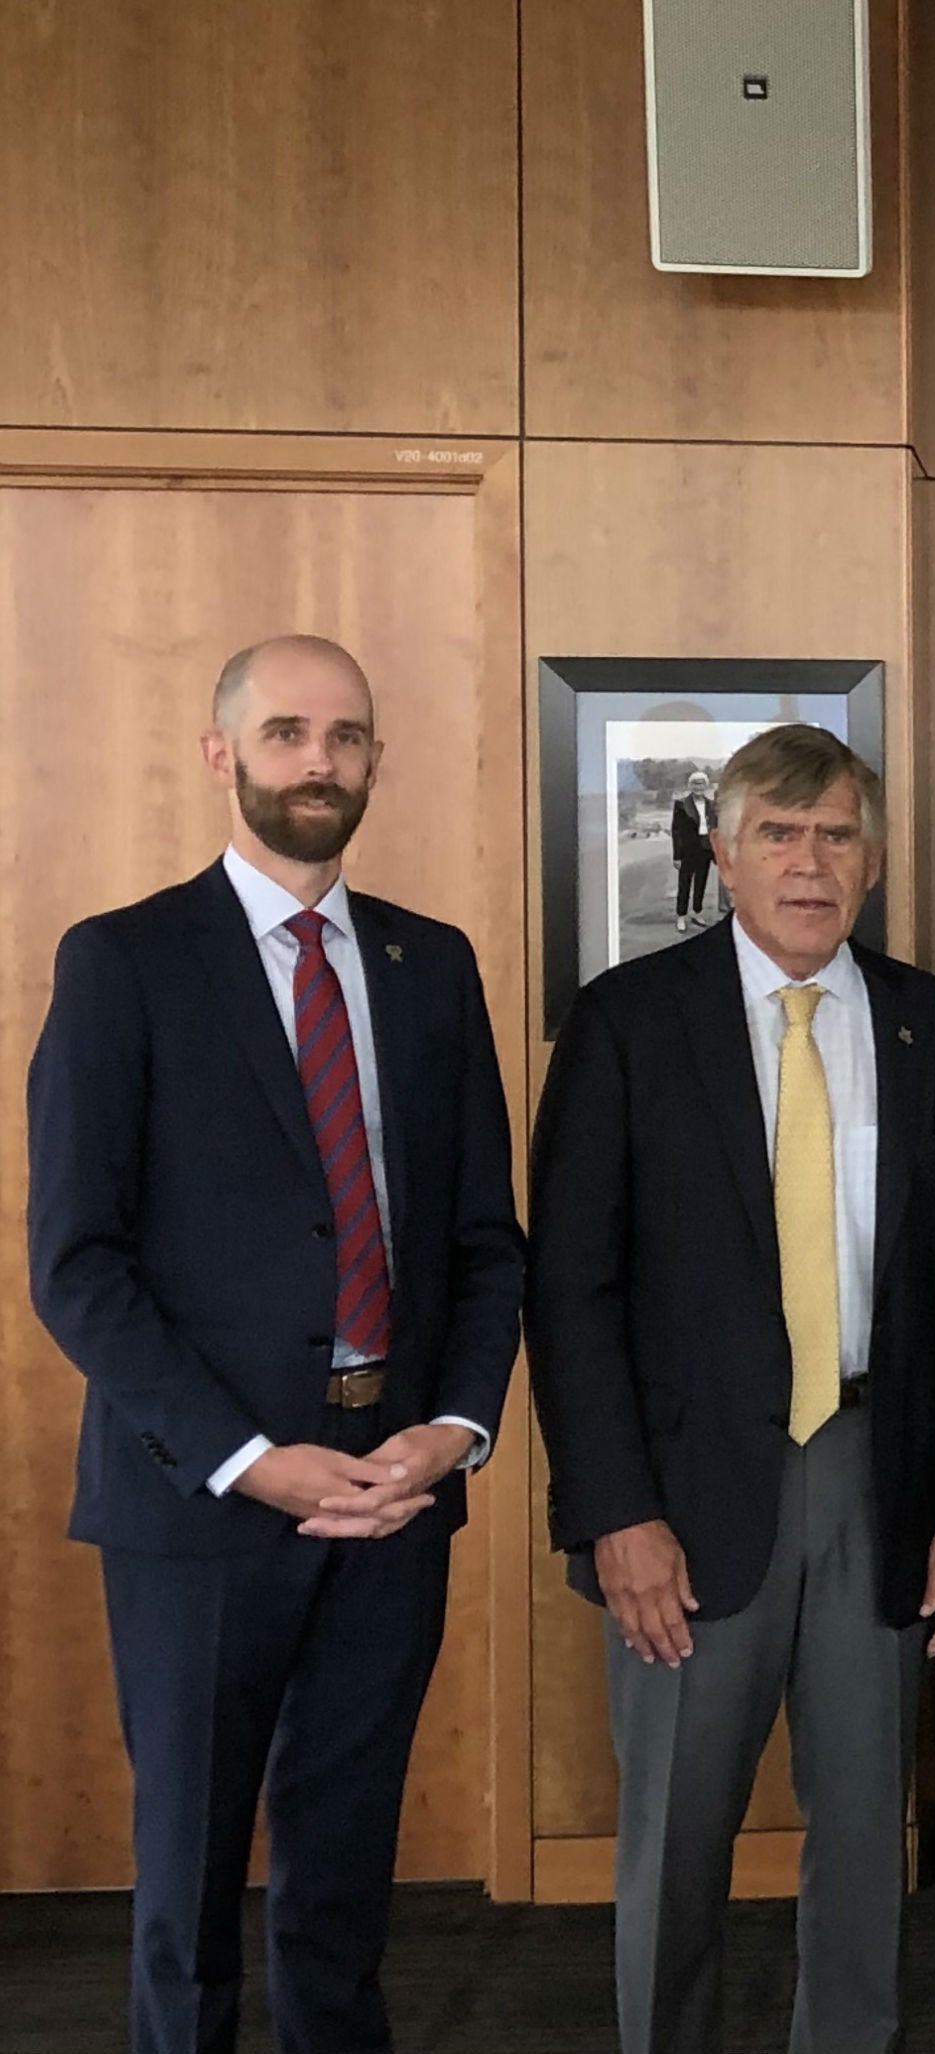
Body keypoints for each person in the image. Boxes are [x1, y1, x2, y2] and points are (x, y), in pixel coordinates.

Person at [27, 635, 526, 2054]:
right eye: (290, 731)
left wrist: (458, 1426)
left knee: (345, 1871)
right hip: (204, 1502)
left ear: (376, 761)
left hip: (395, 1490)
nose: (321, 759)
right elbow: (78, 1265)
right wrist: (249, 1457)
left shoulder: (431, 965)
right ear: (222, 753)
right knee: (186, 1883)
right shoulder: (123, 961)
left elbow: (485, 1241)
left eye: (349, 735)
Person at [525, 724, 935, 2054]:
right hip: (679, 1499)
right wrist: (612, 1510)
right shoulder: (630, 1021)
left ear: (870, 859)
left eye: (837, 834)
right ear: (724, 855)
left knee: (864, 1829)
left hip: (880, 1472)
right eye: (780, 835)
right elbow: (571, 1287)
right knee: (676, 1836)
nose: (810, 863)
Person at [670, 771, 720, 929]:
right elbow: (676, 831)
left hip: (705, 849)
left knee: (701, 882)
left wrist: (716, 851)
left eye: (701, 784)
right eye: (695, 784)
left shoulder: (711, 805)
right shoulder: (681, 805)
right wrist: (677, 856)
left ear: (706, 786)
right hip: (688, 850)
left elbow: (715, 829)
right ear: (690, 786)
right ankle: (681, 916)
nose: (699, 787)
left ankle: (697, 913)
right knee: (684, 884)